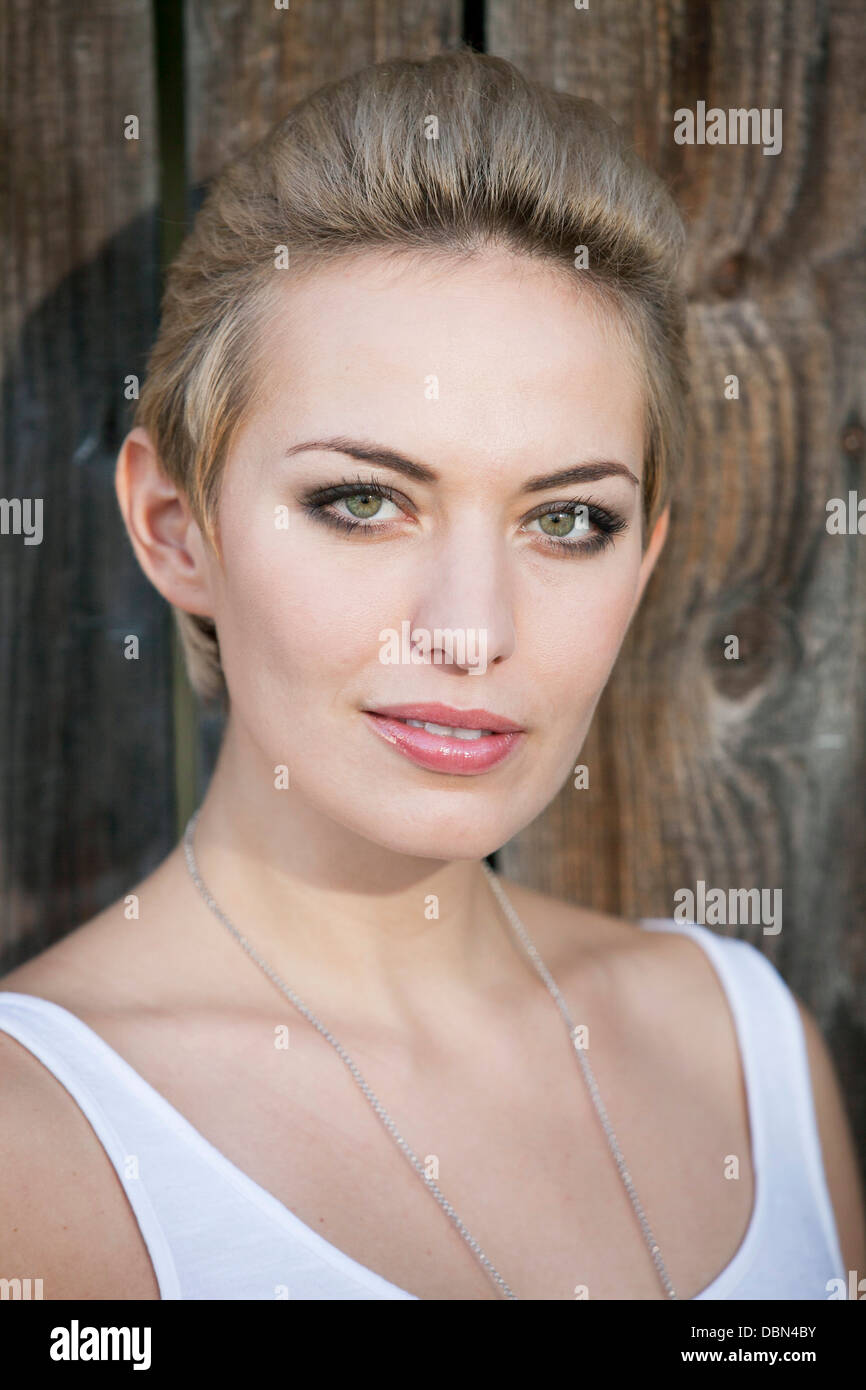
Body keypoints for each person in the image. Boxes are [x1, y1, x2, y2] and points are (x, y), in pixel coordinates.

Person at [1, 48, 863, 1302]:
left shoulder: (742, 1044)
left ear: (645, 555)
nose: (470, 630)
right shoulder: (33, 1145)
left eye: (566, 520)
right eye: (363, 501)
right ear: (175, 526)